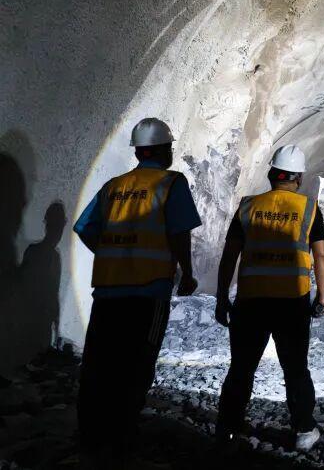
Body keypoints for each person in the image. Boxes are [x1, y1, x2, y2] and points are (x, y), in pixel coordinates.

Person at [72, 117, 201, 463]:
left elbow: (84, 228)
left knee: (99, 364)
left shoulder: (114, 187)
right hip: (148, 291)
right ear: (163, 150)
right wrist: (187, 273)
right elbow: (179, 232)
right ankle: (121, 439)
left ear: (138, 151)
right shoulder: (171, 183)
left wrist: (113, 253)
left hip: (108, 291)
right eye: (169, 147)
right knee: (137, 365)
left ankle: (90, 437)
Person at [214, 144, 324, 453]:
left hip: (251, 301)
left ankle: (228, 428)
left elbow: (230, 256)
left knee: (241, 368)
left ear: (271, 174)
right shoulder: (308, 209)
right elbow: (321, 255)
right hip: (291, 301)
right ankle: (303, 430)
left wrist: (221, 297)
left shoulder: (248, 206)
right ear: (298, 178)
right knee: (295, 368)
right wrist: (322, 295)